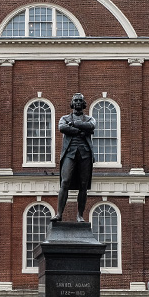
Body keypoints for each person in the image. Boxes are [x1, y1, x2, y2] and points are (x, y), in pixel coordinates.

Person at [54, 93, 96, 222]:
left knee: (83, 185)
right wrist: (80, 129)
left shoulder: (89, 119)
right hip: (70, 153)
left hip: (85, 154)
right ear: (72, 103)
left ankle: (80, 215)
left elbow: (92, 126)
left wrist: (73, 125)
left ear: (83, 104)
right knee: (65, 181)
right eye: (75, 100)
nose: (78, 102)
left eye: (80, 100)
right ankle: (59, 214)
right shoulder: (64, 118)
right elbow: (62, 127)